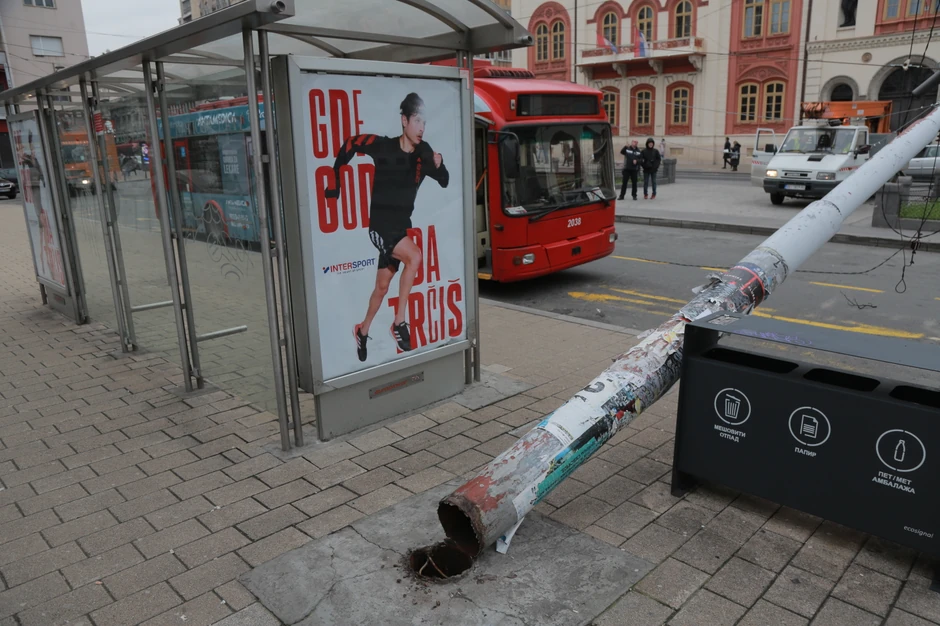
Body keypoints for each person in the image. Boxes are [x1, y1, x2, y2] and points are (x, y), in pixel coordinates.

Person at [325, 92, 450, 362]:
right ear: (404, 120)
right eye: (417, 120)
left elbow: (444, 180)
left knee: (382, 287)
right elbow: (350, 145)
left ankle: (362, 329)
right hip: (380, 228)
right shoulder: (382, 146)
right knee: (414, 256)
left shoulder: (424, 152)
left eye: (424, 122)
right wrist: (335, 181)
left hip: (400, 228)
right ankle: (399, 323)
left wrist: (440, 166)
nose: (421, 128)